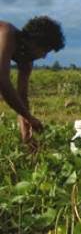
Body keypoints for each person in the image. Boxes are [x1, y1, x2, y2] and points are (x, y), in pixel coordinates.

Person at [0, 16, 65, 149]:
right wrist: (29, 117)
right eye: (45, 51)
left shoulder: (26, 61)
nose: (43, 56)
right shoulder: (6, 33)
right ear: (33, 42)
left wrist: (27, 136)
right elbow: (2, 81)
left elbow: (22, 97)